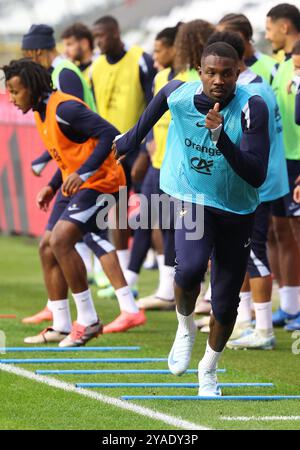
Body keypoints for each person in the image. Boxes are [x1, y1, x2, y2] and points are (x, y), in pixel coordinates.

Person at [113, 42, 270, 395]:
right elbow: (148, 115)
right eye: (211, 72)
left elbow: (256, 173)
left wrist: (220, 138)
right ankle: (184, 326)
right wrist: (126, 143)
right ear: (199, 71)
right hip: (190, 195)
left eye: (226, 74)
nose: (218, 80)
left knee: (226, 302)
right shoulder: (178, 93)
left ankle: (208, 369)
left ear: (238, 72)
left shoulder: (251, 107)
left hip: (237, 208)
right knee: (189, 268)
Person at [3, 58, 146, 345]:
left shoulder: (65, 108)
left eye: (15, 91)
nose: (11, 97)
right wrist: (52, 186)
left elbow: (110, 132)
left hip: (102, 182)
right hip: (77, 184)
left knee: (61, 240)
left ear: (31, 87)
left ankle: (89, 320)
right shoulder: (39, 111)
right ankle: (61, 324)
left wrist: (84, 173)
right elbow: (67, 155)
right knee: (47, 246)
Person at [206, 31, 289, 350]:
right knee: (241, 255)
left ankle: (264, 329)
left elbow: (254, 151)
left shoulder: (252, 94)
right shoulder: (257, 86)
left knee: (255, 253)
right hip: (259, 183)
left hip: (256, 188)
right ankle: (246, 319)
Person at [91, 16, 157, 303]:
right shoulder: (96, 66)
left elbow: (155, 102)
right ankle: (123, 280)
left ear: (116, 33)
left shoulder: (141, 59)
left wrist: (146, 146)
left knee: (154, 210)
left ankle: (163, 279)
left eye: (102, 36)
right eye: (95, 38)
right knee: (115, 212)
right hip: (112, 151)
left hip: (140, 149)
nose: (98, 43)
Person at [266, 3, 300, 330]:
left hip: (299, 160)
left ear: (285, 27)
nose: (267, 35)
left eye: (269, 29)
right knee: (278, 232)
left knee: (296, 233)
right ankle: (289, 306)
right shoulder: (282, 66)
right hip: (281, 162)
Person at [217, 13, 276, 84]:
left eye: (224, 35)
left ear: (240, 36)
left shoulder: (271, 67)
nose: (219, 41)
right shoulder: (219, 68)